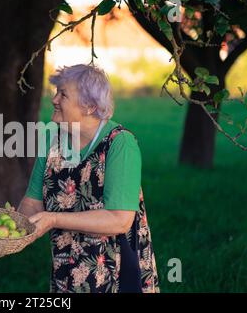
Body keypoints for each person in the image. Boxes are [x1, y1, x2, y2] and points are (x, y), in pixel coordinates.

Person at [19, 64, 159, 293]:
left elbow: (119, 220)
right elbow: (33, 202)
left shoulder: (120, 144)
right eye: (56, 92)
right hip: (66, 274)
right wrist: (11, 230)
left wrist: (54, 220)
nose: (54, 100)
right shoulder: (53, 141)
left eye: (63, 94)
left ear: (90, 107)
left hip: (117, 276)